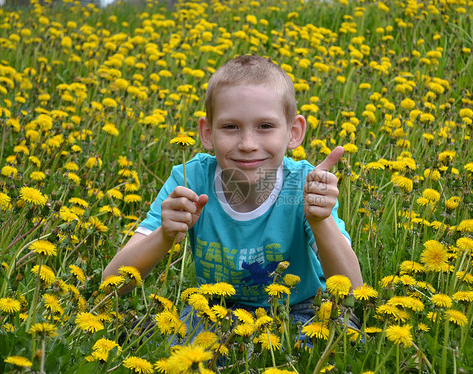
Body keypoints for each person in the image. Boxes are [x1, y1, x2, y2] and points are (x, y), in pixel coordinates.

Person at [103, 55, 363, 337]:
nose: (248, 144)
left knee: (336, 337)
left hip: (299, 307)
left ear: (293, 132)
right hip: (216, 308)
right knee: (178, 345)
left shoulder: (304, 184)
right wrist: (164, 236)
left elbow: (353, 290)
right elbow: (112, 283)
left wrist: (320, 220)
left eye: (265, 126)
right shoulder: (190, 181)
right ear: (207, 132)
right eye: (230, 127)